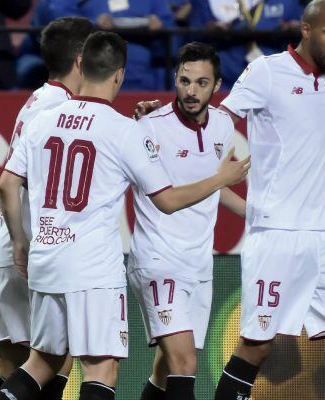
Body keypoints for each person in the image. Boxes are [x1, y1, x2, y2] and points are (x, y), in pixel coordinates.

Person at [0, 31, 248, 400]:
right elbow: (167, 200)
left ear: (82, 67)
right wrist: (220, 178)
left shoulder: (42, 120)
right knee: (101, 369)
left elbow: (6, 185)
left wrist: (20, 241)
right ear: (119, 75)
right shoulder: (123, 130)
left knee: (42, 362)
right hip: (93, 267)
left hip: (46, 258)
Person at [212, 1, 325, 399]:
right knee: (256, 346)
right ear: (306, 29)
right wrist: (169, 126)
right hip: (276, 235)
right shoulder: (266, 73)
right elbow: (220, 120)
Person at [0, 17, 93, 400]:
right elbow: (11, 181)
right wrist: (22, 241)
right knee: (55, 356)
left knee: (9, 362)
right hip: (24, 253)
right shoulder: (59, 112)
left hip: (0, 248)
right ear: (79, 60)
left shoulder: (39, 98)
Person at [130, 42, 246, 400]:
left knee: (167, 370)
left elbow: (209, 188)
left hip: (198, 264)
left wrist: (253, 213)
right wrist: (220, 180)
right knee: (184, 365)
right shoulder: (149, 126)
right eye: (184, 80)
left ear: (217, 86)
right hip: (157, 260)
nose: (191, 91)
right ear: (174, 79)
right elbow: (167, 199)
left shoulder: (224, 126)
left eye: (201, 83)